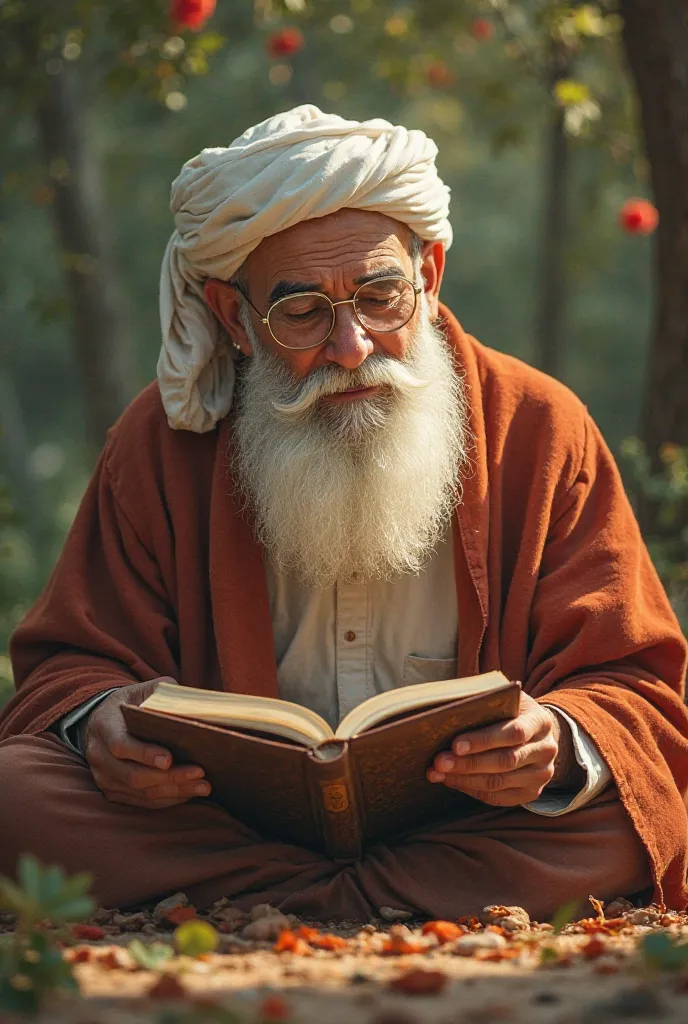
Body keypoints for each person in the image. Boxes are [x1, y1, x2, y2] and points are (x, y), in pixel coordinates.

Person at [1, 105, 687, 920]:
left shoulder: (536, 425)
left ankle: (277, 905)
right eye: (302, 311)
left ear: (429, 277)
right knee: (16, 792)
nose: (351, 345)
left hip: (474, 827)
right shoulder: (163, 441)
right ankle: (381, 901)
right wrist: (105, 723)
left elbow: (635, 686)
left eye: (379, 295)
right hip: (228, 829)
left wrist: (556, 742)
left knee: (633, 804)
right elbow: (69, 665)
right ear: (235, 319)